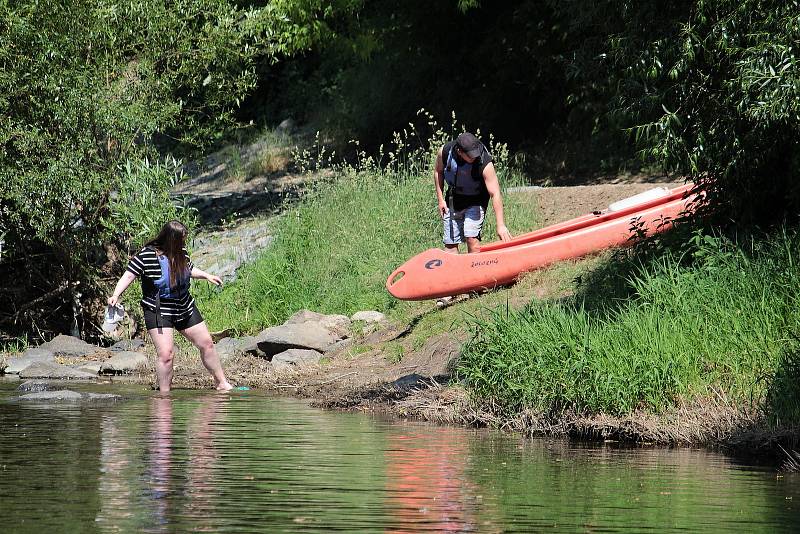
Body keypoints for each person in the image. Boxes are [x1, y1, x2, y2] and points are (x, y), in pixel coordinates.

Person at [107, 220, 233, 392]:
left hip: (183, 306)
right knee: (166, 354)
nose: (184, 243)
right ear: (170, 239)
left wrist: (207, 275)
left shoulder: (181, 253)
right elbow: (129, 276)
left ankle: (221, 383)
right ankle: (164, 395)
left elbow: (189, 269)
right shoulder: (146, 255)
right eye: (181, 240)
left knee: (207, 344)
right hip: (158, 309)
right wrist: (116, 294)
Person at [433, 132, 512, 305]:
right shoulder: (444, 152)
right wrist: (440, 199)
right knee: (450, 244)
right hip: (453, 201)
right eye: (470, 155)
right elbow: (438, 172)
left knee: (471, 238)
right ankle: (451, 289)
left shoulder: (484, 159)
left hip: (476, 201)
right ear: (459, 151)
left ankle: (475, 284)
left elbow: (495, 192)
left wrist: (501, 225)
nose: (474, 157)